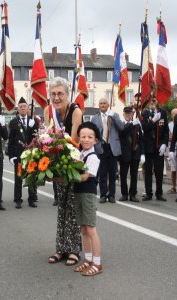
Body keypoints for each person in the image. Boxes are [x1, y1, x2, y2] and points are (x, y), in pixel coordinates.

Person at [44, 77, 83, 266]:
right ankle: (61, 248)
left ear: (67, 94)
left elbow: (74, 142)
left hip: (73, 163)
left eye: (60, 93)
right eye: (53, 94)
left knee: (73, 208)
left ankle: (74, 249)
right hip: (58, 163)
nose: (56, 97)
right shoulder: (48, 111)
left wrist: (57, 154)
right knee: (61, 207)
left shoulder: (76, 112)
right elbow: (46, 139)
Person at [72, 122, 103, 276]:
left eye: (89, 137)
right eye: (83, 136)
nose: (85, 139)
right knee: (83, 229)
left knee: (90, 229)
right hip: (78, 193)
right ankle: (87, 259)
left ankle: (97, 263)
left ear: (95, 140)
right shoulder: (79, 154)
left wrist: (67, 177)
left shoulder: (93, 157)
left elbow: (84, 177)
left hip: (88, 194)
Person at [8, 97, 39, 209]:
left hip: (30, 155)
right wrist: (11, 155)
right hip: (19, 155)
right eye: (20, 107)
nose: (22, 108)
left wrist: (33, 127)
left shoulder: (33, 121)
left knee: (31, 177)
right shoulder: (13, 122)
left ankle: (32, 199)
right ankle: (18, 199)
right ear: (17, 109)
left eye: (24, 107)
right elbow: (10, 140)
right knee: (19, 177)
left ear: (28, 108)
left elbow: (36, 137)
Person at [91, 98, 124, 203]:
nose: (102, 105)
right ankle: (103, 195)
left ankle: (112, 195)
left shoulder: (114, 115)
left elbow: (121, 128)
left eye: (104, 103)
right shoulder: (95, 118)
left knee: (113, 173)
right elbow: (93, 133)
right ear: (99, 105)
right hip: (102, 146)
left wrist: (113, 116)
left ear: (108, 104)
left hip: (112, 147)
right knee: (102, 173)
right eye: (101, 103)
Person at [141, 97, 169, 201]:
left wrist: (164, 144)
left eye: (154, 100)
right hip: (148, 147)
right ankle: (148, 193)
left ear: (157, 101)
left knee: (159, 171)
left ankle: (159, 193)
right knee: (148, 171)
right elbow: (144, 128)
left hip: (159, 147)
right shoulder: (144, 113)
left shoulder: (163, 113)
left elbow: (166, 130)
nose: (152, 102)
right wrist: (153, 120)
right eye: (150, 101)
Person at [118, 106, 144, 202]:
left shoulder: (137, 125)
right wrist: (133, 124)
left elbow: (141, 140)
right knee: (123, 175)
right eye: (126, 113)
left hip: (135, 153)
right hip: (124, 154)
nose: (128, 115)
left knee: (134, 175)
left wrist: (142, 153)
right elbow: (123, 132)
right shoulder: (121, 124)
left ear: (132, 114)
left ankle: (133, 194)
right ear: (123, 114)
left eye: (130, 113)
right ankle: (124, 194)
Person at [167, 108, 177, 194]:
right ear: (171, 116)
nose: (175, 116)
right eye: (174, 114)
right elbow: (168, 136)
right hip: (172, 149)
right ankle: (173, 186)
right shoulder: (169, 125)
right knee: (173, 169)